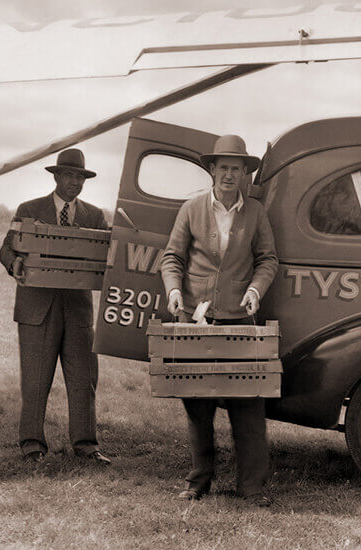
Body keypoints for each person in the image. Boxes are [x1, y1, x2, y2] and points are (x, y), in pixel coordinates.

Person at [160, 135, 279, 507]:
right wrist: (174, 290)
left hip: (239, 322)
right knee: (198, 407)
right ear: (212, 170)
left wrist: (256, 290)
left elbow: (268, 260)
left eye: (237, 168)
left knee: (248, 407)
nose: (229, 175)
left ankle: (252, 487)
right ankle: (198, 482)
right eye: (223, 167)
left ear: (246, 174)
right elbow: (172, 258)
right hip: (196, 322)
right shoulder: (191, 208)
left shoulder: (256, 213)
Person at [0, 148, 112, 465]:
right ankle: (32, 444)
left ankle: (87, 445)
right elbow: (6, 249)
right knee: (34, 380)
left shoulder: (95, 216)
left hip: (77, 310)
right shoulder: (28, 210)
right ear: (57, 176)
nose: (75, 182)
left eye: (80, 177)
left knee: (84, 380)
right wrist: (15, 263)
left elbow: (108, 254)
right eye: (69, 176)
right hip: (36, 309)